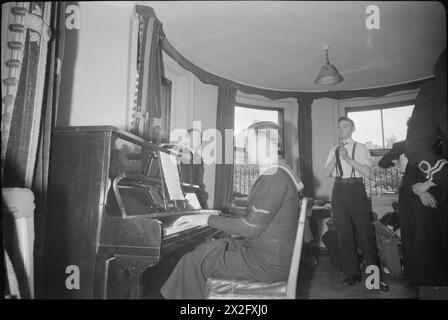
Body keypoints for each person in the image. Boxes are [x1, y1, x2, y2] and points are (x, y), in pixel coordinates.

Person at [160, 121, 304, 299]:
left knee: (194, 261)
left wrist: (206, 220)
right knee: (209, 248)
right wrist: (216, 216)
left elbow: (250, 228)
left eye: (249, 142)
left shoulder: (275, 176)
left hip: (267, 263)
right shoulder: (277, 172)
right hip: (267, 252)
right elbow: (254, 219)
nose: (245, 149)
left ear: (267, 142)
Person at [325, 116, 388, 291]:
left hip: (355, 189)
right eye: (339, 127)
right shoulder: (334, 149)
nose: (341, 130)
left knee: (365, 233)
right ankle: (352, 273)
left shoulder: (361, 147)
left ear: (353, 129)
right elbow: (328, 173)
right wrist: (336, 155)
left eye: (345, 127)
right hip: (338, 190)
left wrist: (347, 158)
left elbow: (367, 172)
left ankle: (374, 277)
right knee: (343, 233)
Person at [402, 49, 448, 287]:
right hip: (419, 192)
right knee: (425, 244)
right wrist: (421, 188)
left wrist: (427, 186)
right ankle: (420, 282)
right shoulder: (414, 146)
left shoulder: (437, 145)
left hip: (431, 190)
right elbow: (411, 171)